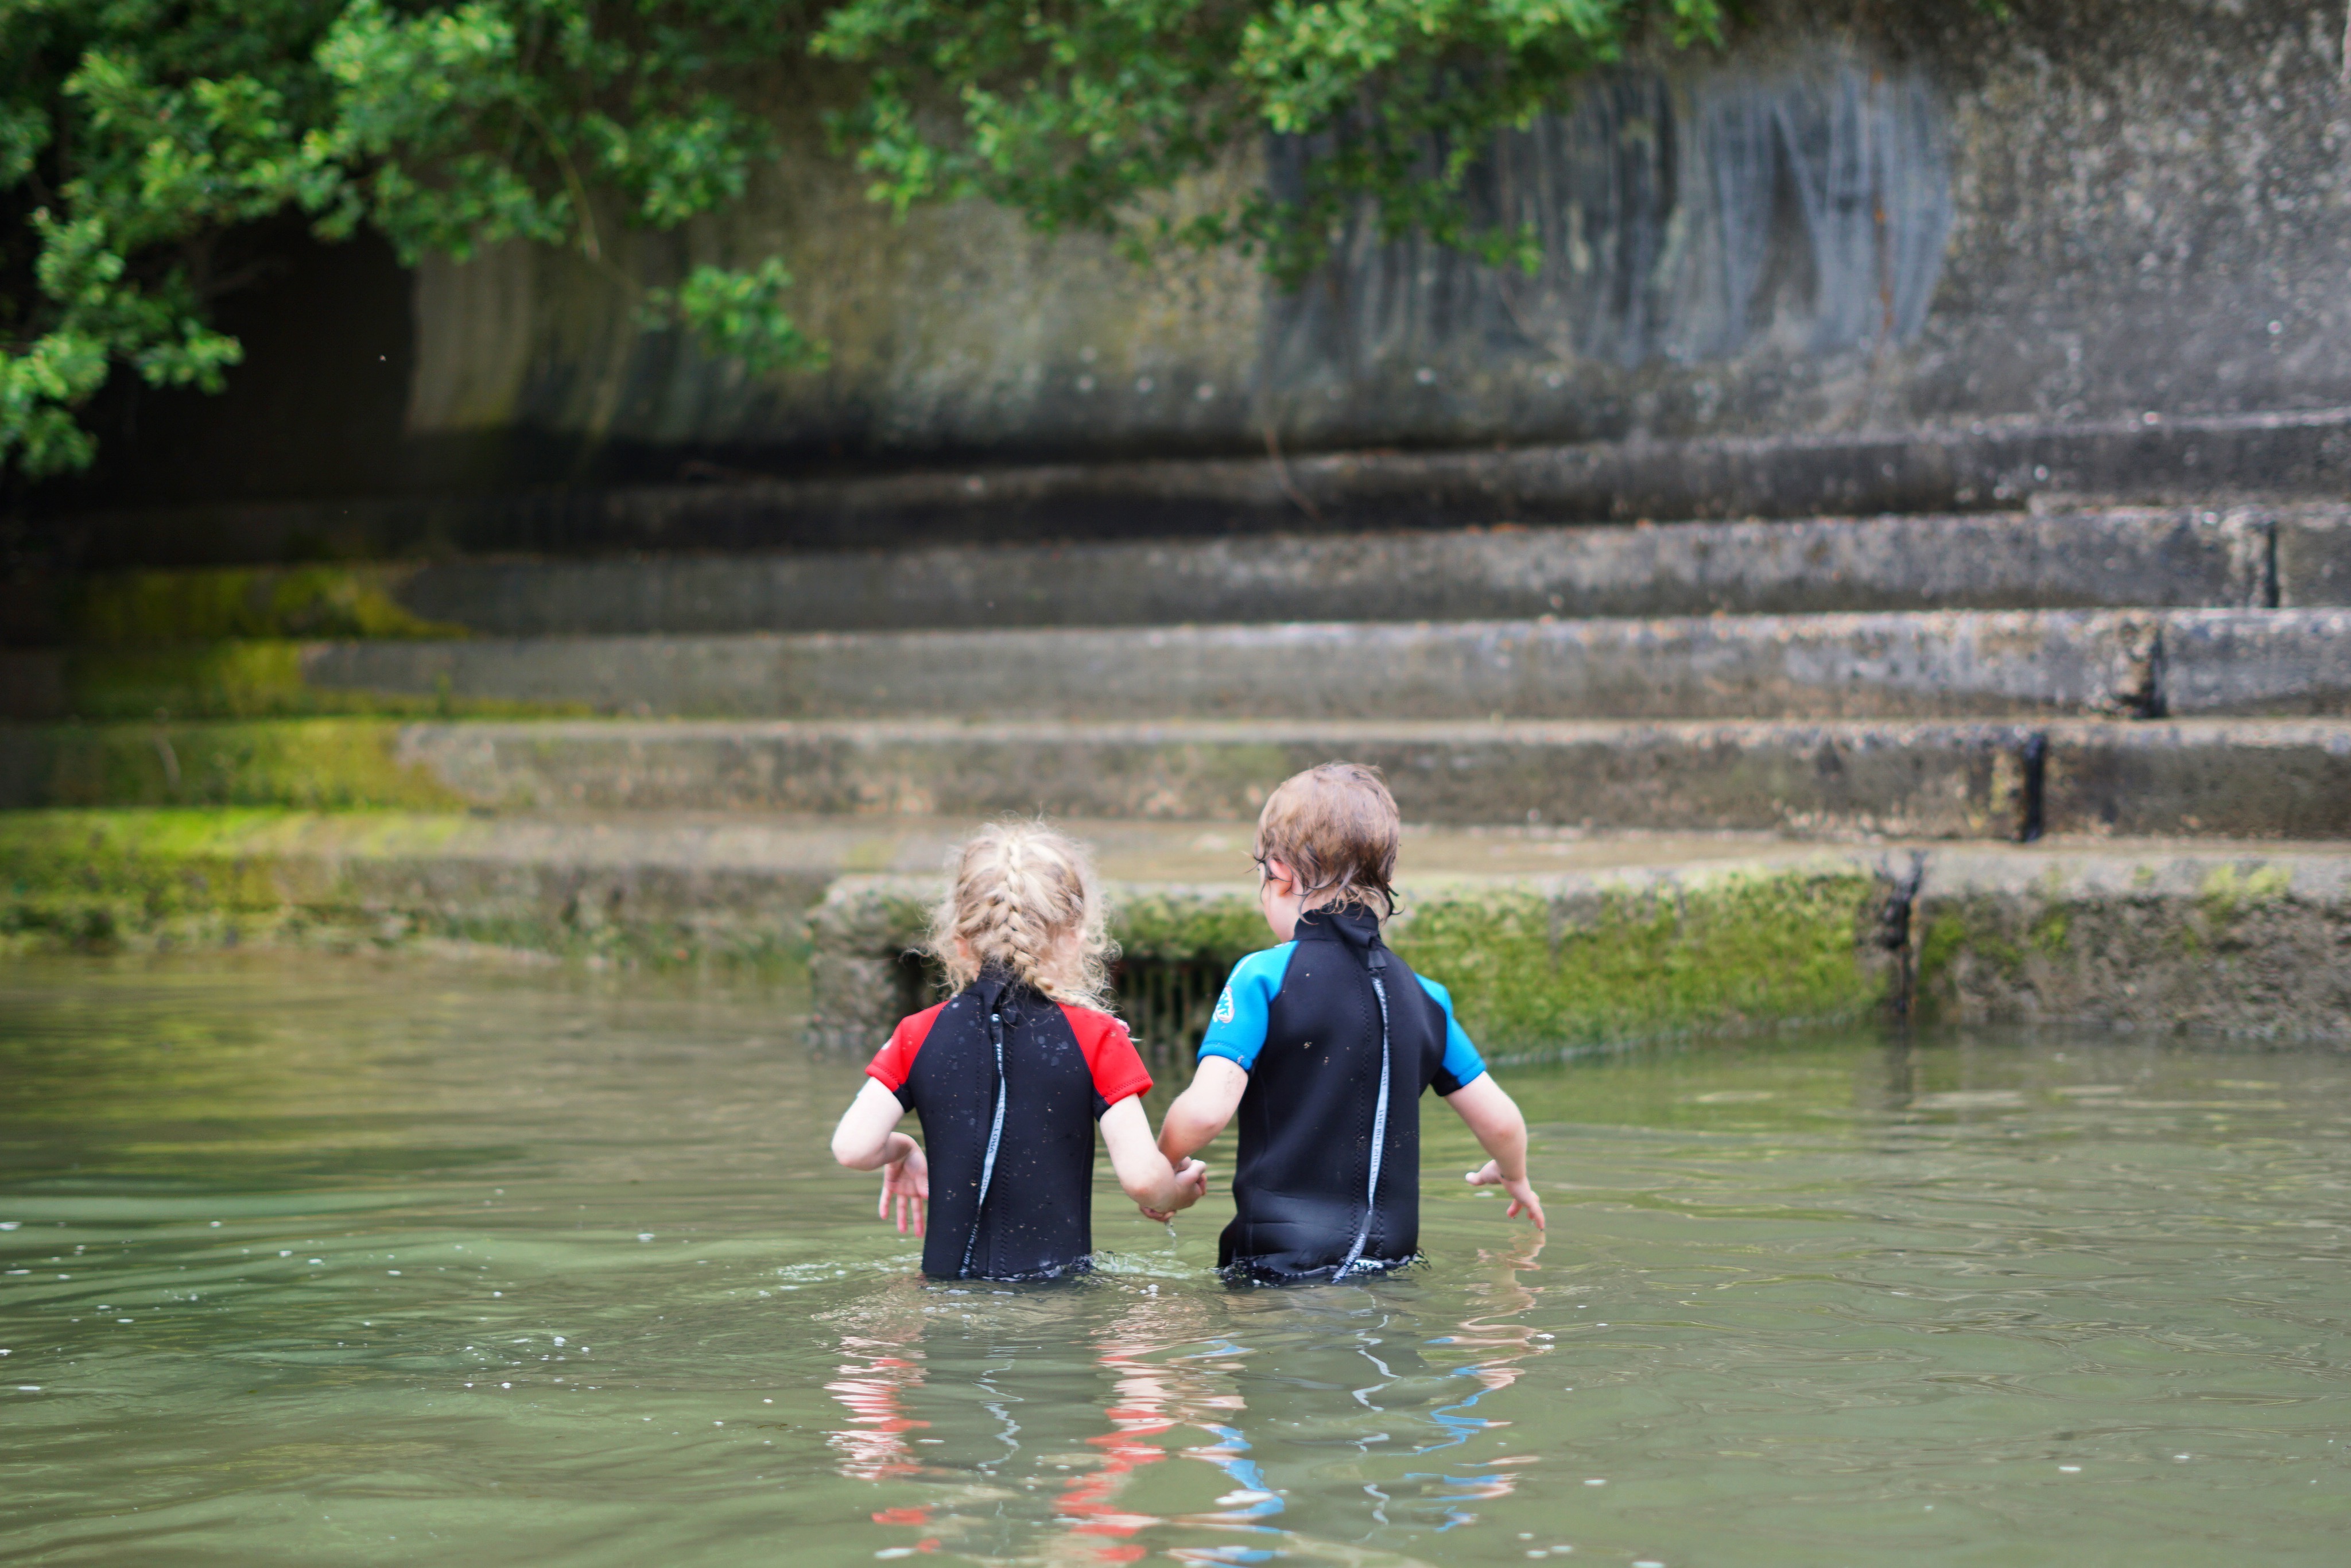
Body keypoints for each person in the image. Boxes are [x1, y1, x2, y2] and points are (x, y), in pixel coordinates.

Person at [1152, 762, 1545, 1281]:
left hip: (1279, 1266)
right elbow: (1501, 1122)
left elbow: (1203, 1115)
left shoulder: (1263, 977)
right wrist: (1513, 1174)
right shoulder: (1427, 997)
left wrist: (1165, 1167)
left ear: (1280, 872)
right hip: (1389, 1263)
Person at [830, 821, 1208, 1279]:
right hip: (1053, 1306)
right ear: (1076, 937)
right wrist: (1176, 1195)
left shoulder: (916, 1033)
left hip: (945, 1302)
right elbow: (1146, 1181)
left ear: (959, 942)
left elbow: (851, 1149)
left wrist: (904, 1149)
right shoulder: (1098, 1036)